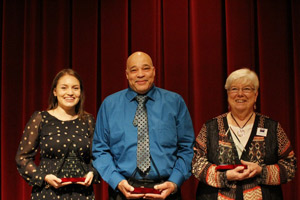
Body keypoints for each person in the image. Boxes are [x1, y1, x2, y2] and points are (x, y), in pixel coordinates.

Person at [92, 51, 195, 200]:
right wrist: (117, 181)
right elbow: (100, 149)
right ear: (127, 74)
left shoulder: (175, 102)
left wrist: (174, 182)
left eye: (145, 68)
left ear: (154, 72)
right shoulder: (109, 105)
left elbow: (187, 148)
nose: (140, 74)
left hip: (166, 191)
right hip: (123, 191)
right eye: (134, 70)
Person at [192, 68, 297, 200]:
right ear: (228, 94)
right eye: (234, 89)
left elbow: (290, 165)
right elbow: (196, 163)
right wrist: (225, 176)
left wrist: (261, 171)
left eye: (247, 89)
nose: (240, 94)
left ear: (256, 94)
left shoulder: (272, 127)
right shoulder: (210, 127)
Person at [16, 69, 100, 200]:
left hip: (82, 194)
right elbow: (22, 158)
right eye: (64, 88)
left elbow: (98, 156)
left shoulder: (88, 121)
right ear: (55, 91)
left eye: (75, 88)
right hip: (47, 193)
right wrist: (43, 177)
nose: (70, 93)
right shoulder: (41, 118)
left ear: (80, 92)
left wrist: (92, 173)